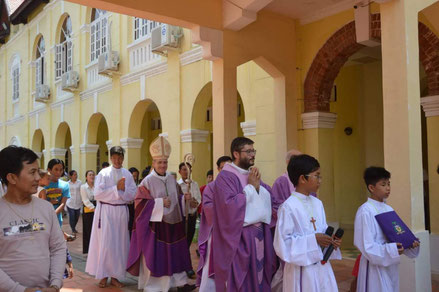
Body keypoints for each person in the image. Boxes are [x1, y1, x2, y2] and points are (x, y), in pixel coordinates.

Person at [127, 136, 195, 292]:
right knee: (158, 256)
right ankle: (155, 287)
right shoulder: (147, 181)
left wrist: (184, 199)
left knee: (176, 253)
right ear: (153, 163)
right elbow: (139, 203)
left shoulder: (172, 179)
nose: (163, 165)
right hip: (156, 227)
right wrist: (159, 203)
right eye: (159, 162)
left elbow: (176, 197)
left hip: (174, 224)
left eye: (165, 162)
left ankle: (179, 283)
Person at [0, 146, 66, 291]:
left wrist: (55, 285)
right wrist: (20, 290)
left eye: (38, 171)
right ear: (12, 177)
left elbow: (58, 248)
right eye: (32, 172)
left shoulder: (46, 208)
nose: (38, 178)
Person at [212, 137, 274, 291]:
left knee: (259, 275)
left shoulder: (250, 174)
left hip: (259, 234)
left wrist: (257, 188)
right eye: (249, 151)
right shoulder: (225, 177)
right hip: (239, 237)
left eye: (254, 151)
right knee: (244, 279)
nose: (253, 154)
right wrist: (251, 188)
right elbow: (228, 206)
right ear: (236, 154)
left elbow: (268, 197)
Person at [274, 154, 342, 292]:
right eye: (316, 176)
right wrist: (314, 239)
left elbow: (322, 230)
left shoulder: (317, 203)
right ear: (302, 178)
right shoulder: (288, 207)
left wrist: (330, 242)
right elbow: (283, 244)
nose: (320, 180)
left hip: (322, 267)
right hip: (302, 271)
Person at [354, 167, 420, 292]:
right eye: (383, 184)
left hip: (390, 265)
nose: (388, 188)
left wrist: (410, 244)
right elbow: (365, 246)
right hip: (374, 267)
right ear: (371, 188)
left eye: (389, 184)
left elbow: (397, 234)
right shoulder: (365, 211)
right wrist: (391, 249)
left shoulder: (388, 209)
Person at [85, 146, 137, 288]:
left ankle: (115, 276)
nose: (117, 160)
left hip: (120, 212)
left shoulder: (127, 174)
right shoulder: (103, 173)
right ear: (111, 158)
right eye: (114, 157)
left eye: (120, 157)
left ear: (123, 158)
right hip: (106, 211)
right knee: (106, 244)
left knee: (119, 244)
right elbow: (97, 194)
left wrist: (123, 190)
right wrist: (117, 189)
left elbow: (133, 194)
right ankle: (103, 275)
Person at [197, 156, 232, 291]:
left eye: (229, 168)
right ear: (218, 169)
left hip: (233, 233)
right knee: (213, 264)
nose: (226, 171)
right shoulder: (211, 188)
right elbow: (209, 208)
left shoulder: (238, 185)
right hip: (217, 232)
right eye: (223, 168)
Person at [178, 162, 201, 279]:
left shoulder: (194, 184)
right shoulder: (177, 185)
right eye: (184, 169)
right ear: (179, 171)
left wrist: (193, 201)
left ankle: (185, 266)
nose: (186, 172)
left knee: (188, 243)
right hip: (182, 218)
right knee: (182, 244)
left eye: (188, 169)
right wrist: (184, 199)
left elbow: (198, 200)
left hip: (191, 217)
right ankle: (186, 268)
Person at [45, 159, 75, 242]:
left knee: (56, 242)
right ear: (49, 170)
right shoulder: (43, 184)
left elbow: (62, 204)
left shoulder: (65, 185)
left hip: (57, 217)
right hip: (43, 216)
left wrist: (54, 214)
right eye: (56, 169)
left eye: (61, 170)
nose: (59, 172)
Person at [80, 170, 96, 254]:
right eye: (90, 175)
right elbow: (85, 200)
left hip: (97, 207)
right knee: (88, 229)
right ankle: (88, 249)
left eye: (93, 175)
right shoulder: (83, 187)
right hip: (88, 208)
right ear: (86, 177)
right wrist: (94, 208)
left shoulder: (96, 186)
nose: (92, 176)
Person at [66, 170, 82, 234]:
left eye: (76, 174)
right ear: (71, 176)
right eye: (74, 175)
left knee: (77, 217)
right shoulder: (67, 183)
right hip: (70, 202)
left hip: (78, 202)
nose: (76, 176)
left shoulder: (79, 182)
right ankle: (73, 229)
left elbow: (82, 191)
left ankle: (74, 227)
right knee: (72, 216)